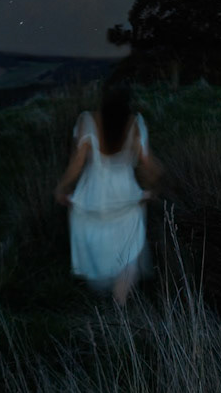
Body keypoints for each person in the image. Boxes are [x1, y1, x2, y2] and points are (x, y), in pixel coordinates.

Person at [55, 75, 160, 303]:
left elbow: (77, 162)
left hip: (94, 195)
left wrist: (63, 186)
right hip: (126, 195)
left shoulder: (87, 121)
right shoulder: (135, 124)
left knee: (99, 245)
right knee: (128, 253)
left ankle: (103, 301)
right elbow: (148, 163)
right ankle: (120, 307)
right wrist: (153, 186)